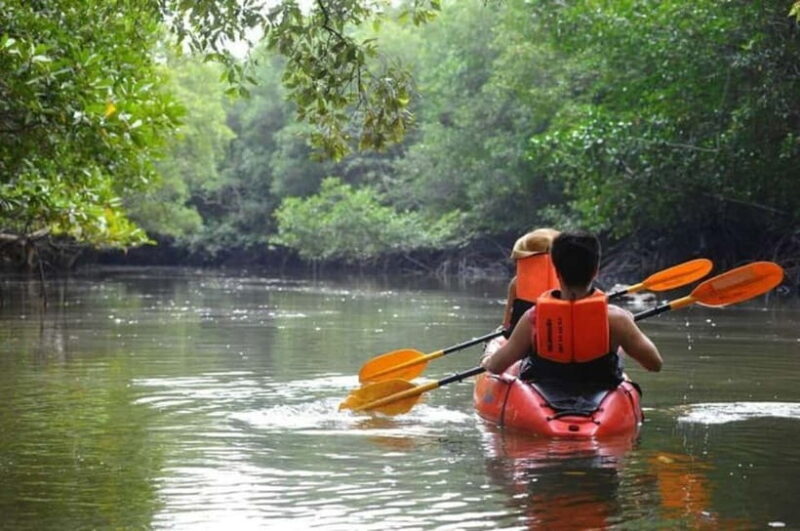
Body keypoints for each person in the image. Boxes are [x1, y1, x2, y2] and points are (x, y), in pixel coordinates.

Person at [483, 230, 662, 389]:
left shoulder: (533, 318)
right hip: (599, 388)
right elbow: (655, 364)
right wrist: (627, 328)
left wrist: (487, 360)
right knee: (619, 349)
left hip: (546, 389)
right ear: (595, 271)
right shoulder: (617, 319)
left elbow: (497, 366)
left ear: (557, 271)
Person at [502, 228, 560, 333]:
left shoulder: (516, 282)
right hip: (555, 334)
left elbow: (506, 323)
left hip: (521, 337)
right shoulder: (567, 281)